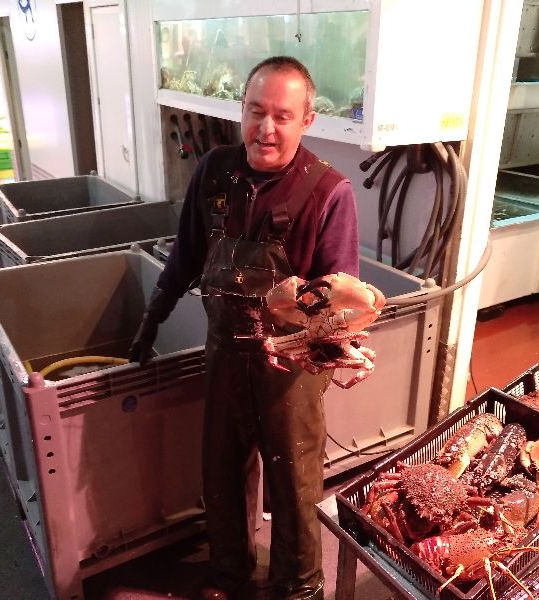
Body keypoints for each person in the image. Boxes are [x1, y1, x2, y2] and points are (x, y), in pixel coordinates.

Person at [130, 56, 359, 600]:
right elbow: (186, 254)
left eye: (283, 115)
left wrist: (335, 349)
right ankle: (228, 572)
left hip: (291, 370)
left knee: (294, 480)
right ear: (242, 110)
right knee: (221, 469)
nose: (266, 128)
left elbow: (341, 302)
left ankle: (297, 587)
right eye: (256, 111)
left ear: (307, 120)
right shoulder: (215, 171)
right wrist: (151, 319)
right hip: (225, 353)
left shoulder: (330, 191)